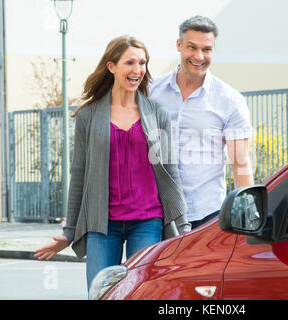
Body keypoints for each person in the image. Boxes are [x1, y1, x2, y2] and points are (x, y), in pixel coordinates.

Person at [35, 35, 190, 291]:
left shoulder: (157, 114)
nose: (138, 70)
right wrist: (69, 231)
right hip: (101, 224)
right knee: (101, 294)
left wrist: (182, 225)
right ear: (111, 66)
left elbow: (169, 171)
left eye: (142, 63)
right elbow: (79, 175)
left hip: (147, 221)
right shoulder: (89, 116)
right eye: (130, 62)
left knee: (140, 293)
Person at [149, 16, 254, 229]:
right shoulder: (151, 91)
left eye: (206, 49)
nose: (199, 56)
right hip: (154, 213)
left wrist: (249, 213)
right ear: (179, 45)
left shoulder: (230, 101)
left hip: (206, 215)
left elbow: (240, 163)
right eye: (192, 47)